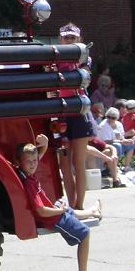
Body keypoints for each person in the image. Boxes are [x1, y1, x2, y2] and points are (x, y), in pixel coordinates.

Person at [17, 135, 105, 271]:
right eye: (28, 162)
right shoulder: (29, 184)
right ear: (20, 162)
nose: (33, 165)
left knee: (68, 209)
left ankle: (92, 211)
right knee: (84, 234)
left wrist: (45, 144)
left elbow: (37, 156)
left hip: (54, 212)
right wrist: (60, 210)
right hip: (52, 219)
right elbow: (42, 211)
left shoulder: (25, 173)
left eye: (35, 161)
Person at [55, 23, 93, 209]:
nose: (69, 40)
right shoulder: (53, 58)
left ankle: (80, 205)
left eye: (73, 37)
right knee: (64, 164)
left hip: (78, 111)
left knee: (79, 162)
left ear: (79, 39)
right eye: (66, 37)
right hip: (60, 113)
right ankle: (71, 205)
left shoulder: (83, 58)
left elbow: (84, 72)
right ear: (60, 39)